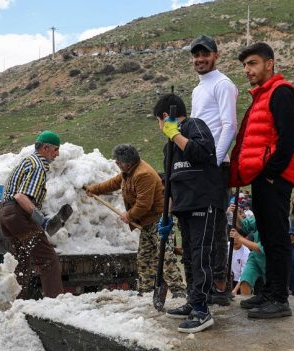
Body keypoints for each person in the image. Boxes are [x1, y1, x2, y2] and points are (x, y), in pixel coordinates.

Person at [229, 42, 294, 319]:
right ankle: (269, 291)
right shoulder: (262, 95)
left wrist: (271, 174)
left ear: (269, 63)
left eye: (253, 63)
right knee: (268, 236)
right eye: (245, 65)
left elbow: (288, 139)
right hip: (262, 177)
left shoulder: (281, 92)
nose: (247, 70)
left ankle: (280, 298)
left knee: (277, 236)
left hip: (274, 177)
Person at [154, 94, 225, 333]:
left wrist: (175, 134)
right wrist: (167, 214)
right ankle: (193, 301)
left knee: (200, 254)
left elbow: (204, 152)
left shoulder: (195, 125)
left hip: (202, 202)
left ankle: (202, 310)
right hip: (183, 206)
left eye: (159, 121)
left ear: (165, 118)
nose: (160, 128)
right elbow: (170, 181)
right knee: (188, 257)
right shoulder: (168, 146)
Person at [84, 144, 186, 297]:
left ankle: (178, 291)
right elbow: (114, 183)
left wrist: (129, 216)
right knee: (144, 257)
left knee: (165, 256)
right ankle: (146, 291)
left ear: (128, 162)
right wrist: (94, 189)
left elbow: (144, 204)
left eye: (119, 162)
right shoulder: (128, 172)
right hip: (146, 223)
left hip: (159, 222)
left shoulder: (143, 174)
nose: (117, 165)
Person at [189, 35, 238, 305]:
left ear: (216, 55)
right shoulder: (198, 89)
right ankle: (205, 284)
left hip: (215, 166)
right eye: (196, 55)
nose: (199, 59)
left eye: (205, 54)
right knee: (202, 226)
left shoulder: (222, 84)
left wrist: (214, 161)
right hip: (200, 165)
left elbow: (229, 125)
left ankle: (220, 285)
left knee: (217, 225)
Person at [0, 131, 65, 299]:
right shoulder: (38, 166)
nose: (57, 154)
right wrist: (42, 221)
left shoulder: (27, 161)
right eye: (56, 149)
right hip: (17, 214)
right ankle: (55, 303)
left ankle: (17, 300)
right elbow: (21, 197)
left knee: (22, 260)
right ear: (45, 148)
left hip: (6, 215)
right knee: (48, 260)